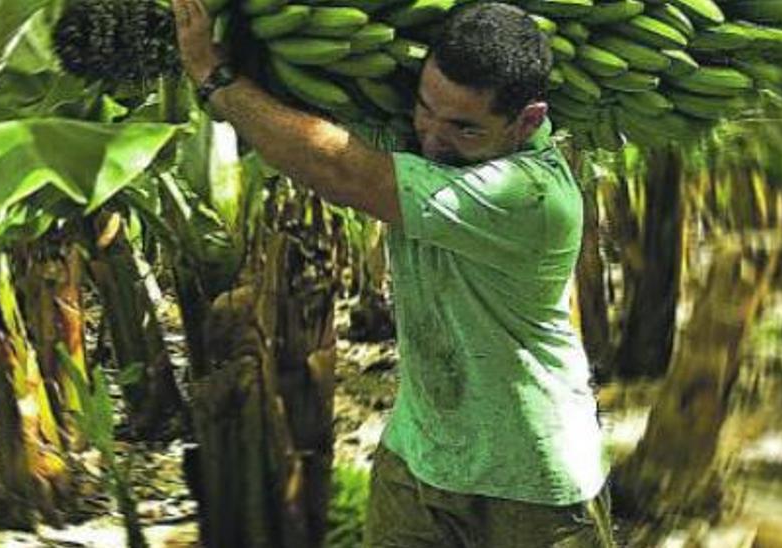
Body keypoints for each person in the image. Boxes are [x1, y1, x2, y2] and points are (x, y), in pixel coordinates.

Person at [170, 1, 614, 546]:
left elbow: (342, 170)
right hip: (419, 457)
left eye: (464, 128)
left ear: (528, 122)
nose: (432, 136)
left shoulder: (531, 197)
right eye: (426, 108)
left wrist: (214, 77)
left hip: (531, 481)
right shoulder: (424, 141)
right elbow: (315, 123)